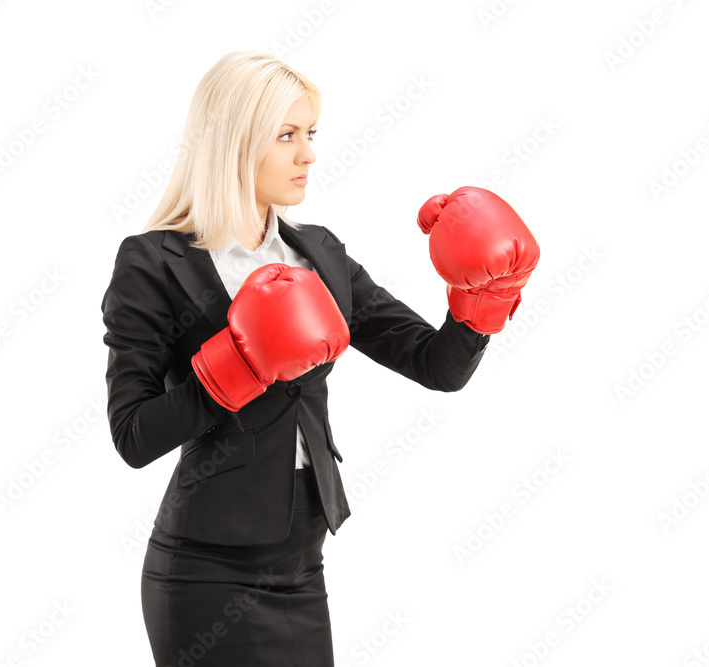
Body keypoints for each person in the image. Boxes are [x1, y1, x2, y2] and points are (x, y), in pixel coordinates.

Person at [100, 50, 539, 666]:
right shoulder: (153, 261)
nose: (308, 154)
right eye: (286, 136)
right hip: (205, 574)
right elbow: (133, 435)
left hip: (302, 565)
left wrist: (481, 301)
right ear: (232, 141)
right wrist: (239, 366)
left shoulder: (321, 254)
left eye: (311, 133)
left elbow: (436, 367)